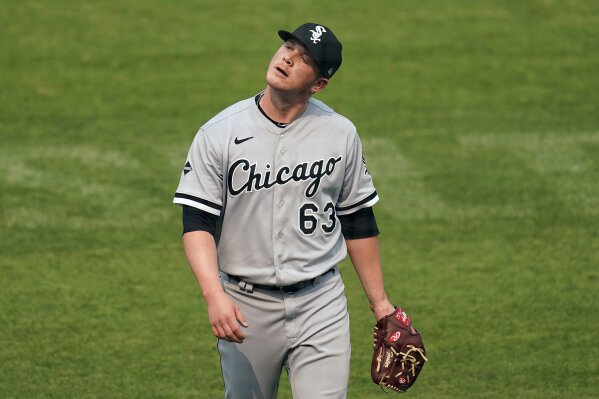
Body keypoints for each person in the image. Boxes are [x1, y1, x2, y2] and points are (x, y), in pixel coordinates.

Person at [173, 22, 395, 399]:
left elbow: (357, 220)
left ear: (319, 84)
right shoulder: (220, 133)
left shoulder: (339, 133)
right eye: (289, 47)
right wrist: (214, 297)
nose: (288, 58)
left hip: (320, 303)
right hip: (246, 308)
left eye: (304, 58)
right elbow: (197, 221)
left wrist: (382, 306)